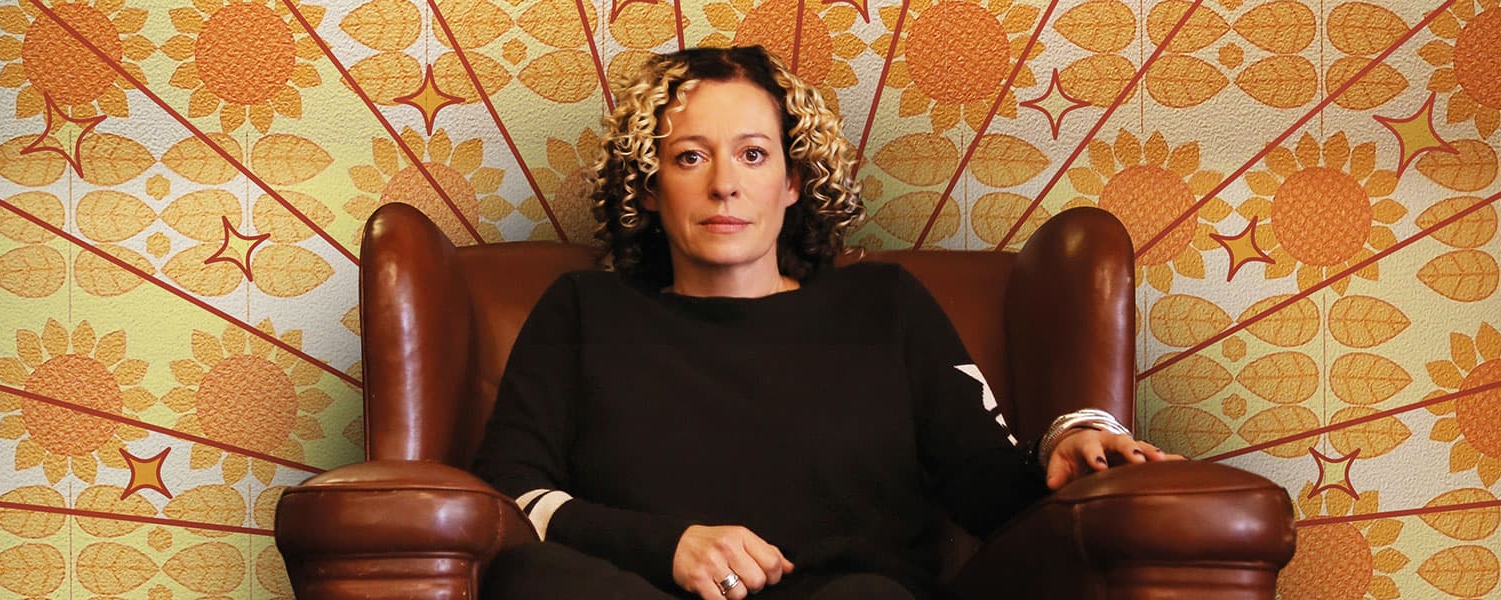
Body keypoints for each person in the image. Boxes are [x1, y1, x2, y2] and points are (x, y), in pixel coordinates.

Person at [471, 45, 1180, 600]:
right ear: (651, 187)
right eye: (690, 157)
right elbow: (510, 493)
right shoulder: (584, 309)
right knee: (530, 579)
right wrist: (670, 547)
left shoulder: (886, 306)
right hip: (643, 592)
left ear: (792, 182)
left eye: (753, 154)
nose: (725, 184)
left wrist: (1072, 437)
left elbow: (991, 488)